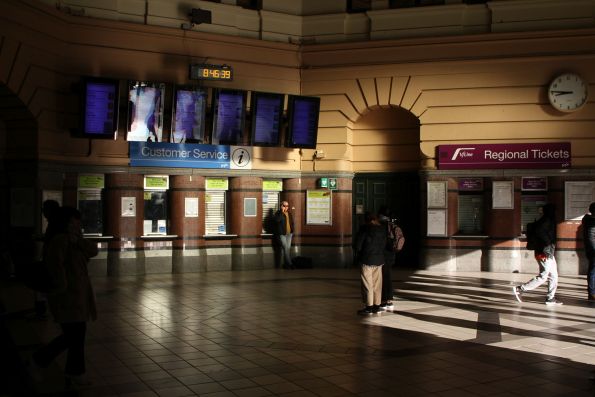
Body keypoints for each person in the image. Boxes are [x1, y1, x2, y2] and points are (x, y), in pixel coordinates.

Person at [28, 206, 98, 387]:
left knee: (76, 336)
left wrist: (78, 240)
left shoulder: (74, 240)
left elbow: (93, 251)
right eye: (75, 220)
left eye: (78, 220)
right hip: (67, 297)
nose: (78, 223)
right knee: (71, 337)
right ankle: (38, 361)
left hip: (78, 296)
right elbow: (55, 268)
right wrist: (61, 289)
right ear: (66, 222)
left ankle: (75, 372)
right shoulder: (59, 241)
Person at [513, 203, 562, 305]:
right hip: (544, 252)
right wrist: (548, 243)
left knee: (554, 275)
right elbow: (540, 232)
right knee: (544, 276)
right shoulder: (547, 220)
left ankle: (550, 298)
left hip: (547, 252)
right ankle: (520, 289)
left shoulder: (545, 220)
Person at [354, 212, 386, 315]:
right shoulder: (382, 229)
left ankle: (369, 307)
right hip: (379, 260)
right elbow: (384, 244)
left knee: (368, 284)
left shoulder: (364, 229)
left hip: (366, 260)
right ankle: (377, 306)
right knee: (377, 284)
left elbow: (357, 246)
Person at [378, 206, 395, 311]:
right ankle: (389, 300)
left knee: (383, 279)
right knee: (388, 278)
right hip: (391, 255)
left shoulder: (381, 226)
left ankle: (384, 301)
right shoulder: (392, 225)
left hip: (383, 255)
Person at [273, 201, 294, 269]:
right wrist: (282, 212)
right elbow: (277, 220)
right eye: (284, 206)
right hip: (282, 234)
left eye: (287, 206)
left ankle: (286, 265)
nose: (286, 207)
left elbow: (292, 223)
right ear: (281, 206)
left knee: (287, 249)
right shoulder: (278, 213)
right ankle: (290, 264)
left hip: (289, 234)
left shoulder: (289, 213)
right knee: (285, 248)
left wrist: (292, 231)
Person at [582, 202, 595, 301]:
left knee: (592, 270)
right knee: (593, 271)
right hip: (593, 249)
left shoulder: (587, 219)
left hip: (590, 249)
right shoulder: (591, 221)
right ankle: (592, 293)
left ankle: (592, 292)